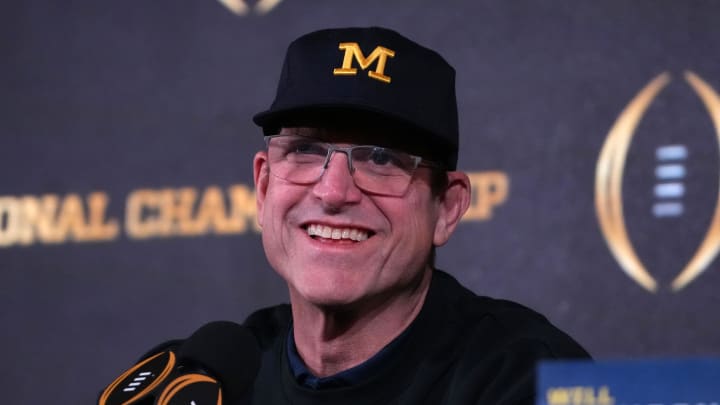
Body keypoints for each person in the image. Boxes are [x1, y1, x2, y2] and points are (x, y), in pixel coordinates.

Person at [104, 26, 589, 405]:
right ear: (264, 185)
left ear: (448, 207)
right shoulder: (193, 384)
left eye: (381, 158)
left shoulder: (534, 380)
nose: (333, 191)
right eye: (306, 150)